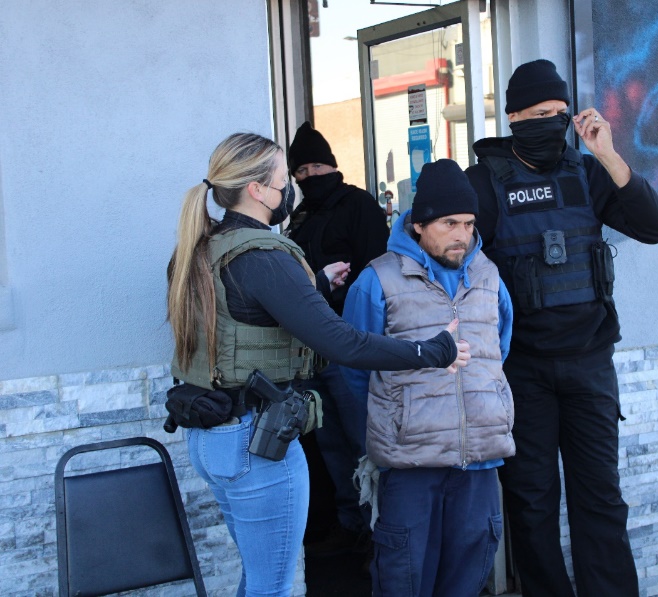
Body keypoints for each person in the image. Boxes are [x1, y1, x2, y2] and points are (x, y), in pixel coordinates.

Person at [166, 132, 469, 597]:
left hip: (212, 435)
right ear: (257, 190)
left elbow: (242, 319)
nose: (291, 190)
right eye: (285, 180)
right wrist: (430, 352)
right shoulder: (263, 256)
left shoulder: (201, 248)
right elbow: (340, 341)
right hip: (254, 443)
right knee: (275, 588)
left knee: (259, 579)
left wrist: (317, 287)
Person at [464, 59, 658, 596]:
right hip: (522, 372)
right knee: (532, 504)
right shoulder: (485, 183)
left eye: (561, 113)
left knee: (600, 498)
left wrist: (608, 153)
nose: (553, 122)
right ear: (514, 117)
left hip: (589, 365)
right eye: (540, 113)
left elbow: (656, 226)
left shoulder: (586, 173)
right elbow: (442, 250)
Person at [341, 159, 515, 597]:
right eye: (449, 223)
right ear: (418, 225)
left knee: (466, 580)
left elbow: (500, 349)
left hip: (478, 462)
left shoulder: (490, 277)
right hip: (410, 465)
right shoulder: (377, 281)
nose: (462, 234)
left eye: (469, 223)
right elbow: (352, 370)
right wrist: (390, 426)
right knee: (404, 580)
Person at [284, 121, 390, 557]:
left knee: (364, 443)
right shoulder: (299, 217)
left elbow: (380, 270)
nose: (310, 176)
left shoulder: (359, 205)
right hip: (310, 352)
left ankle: (381, 534)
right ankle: (354, 532)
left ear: (332, 164)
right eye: (300, 171)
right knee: (330, 447)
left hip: (350, 345)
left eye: (316, 165)